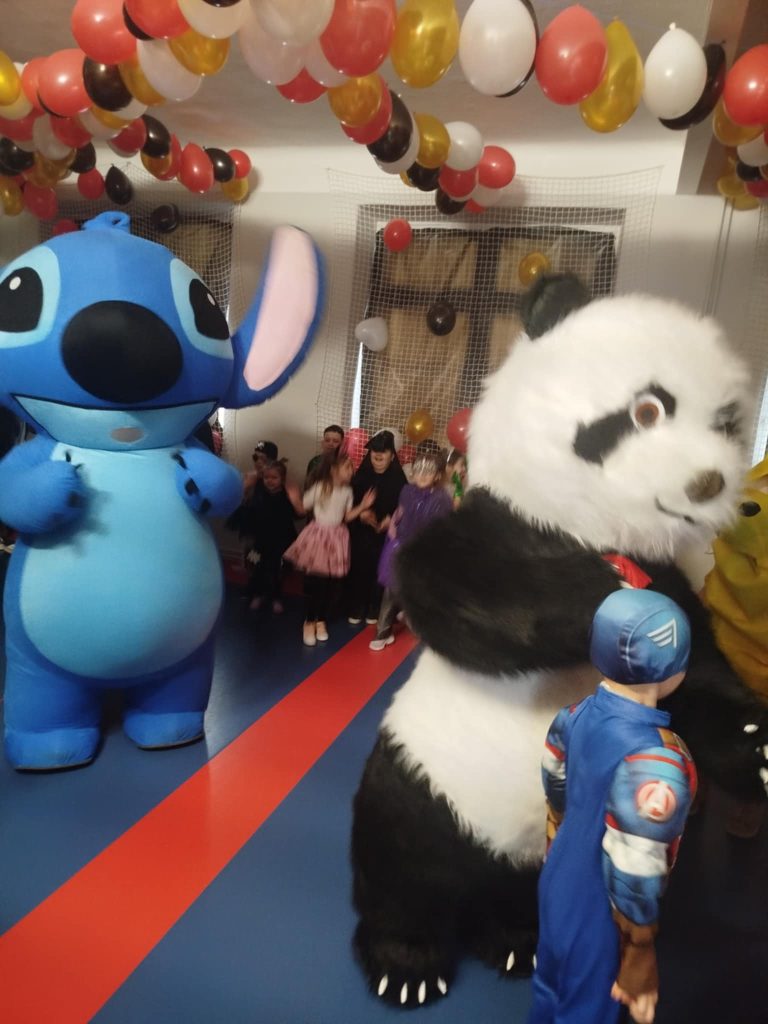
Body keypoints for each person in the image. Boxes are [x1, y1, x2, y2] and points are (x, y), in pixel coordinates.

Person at [529, 588, 696, 1024]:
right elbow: (634, 864)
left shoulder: (573, 714)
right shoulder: (656, 762)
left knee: (549, 986)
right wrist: (640, 949)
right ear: (670, 667)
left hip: (557, 877)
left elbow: (555, 786)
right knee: (586, 1010)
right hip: (599, 911)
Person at [283, 453, 375, 647]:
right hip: (319, 537)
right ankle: (309, 621)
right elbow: (302, 509)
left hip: (337, 538)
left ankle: (321, 620)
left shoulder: (347, 492)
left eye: (352, 468)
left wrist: (362, 506)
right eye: (347, 467)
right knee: (318, 583)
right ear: (334, 470)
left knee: (332, 585)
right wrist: (293, 496)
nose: (352, 471)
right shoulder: (320, 487)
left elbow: (346, 517)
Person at [370, 450, 452, 651]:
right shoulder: (406, 491)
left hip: (423, 551)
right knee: (391, 589)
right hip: (400, 546)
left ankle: (411, 618)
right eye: (418, 471)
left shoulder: (442, 499)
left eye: (428, 472)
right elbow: (401, 511)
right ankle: (383, 631)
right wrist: (393, 525)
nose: (422, 476)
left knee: (416, 589)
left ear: (437, 475)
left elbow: (441, 528)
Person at [346, 430, 407, 626]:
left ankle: (375, 606)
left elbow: (404, 507)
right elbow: (348, 504)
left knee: (380, 568)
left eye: (383, 453)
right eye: (374, 453)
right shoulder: (361, 477)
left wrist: (391, 519)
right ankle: (357, 605)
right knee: (359, 566)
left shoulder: (399, 480)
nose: (378, 457)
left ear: (392, 456)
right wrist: (361, 513)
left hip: (386, 536)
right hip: (361, 532)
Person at [237, 459, 304, 614]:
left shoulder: (286, 494)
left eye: (274, 477)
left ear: (282, 479)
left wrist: (294, 499)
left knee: (277, 571)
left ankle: (276, 597)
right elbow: (248, 509)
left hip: (281, 541)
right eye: (267, 477)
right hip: (258, 541)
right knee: (257, 568)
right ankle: (258, 594)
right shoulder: (258, 491)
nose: (270, 481)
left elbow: (298, 514)